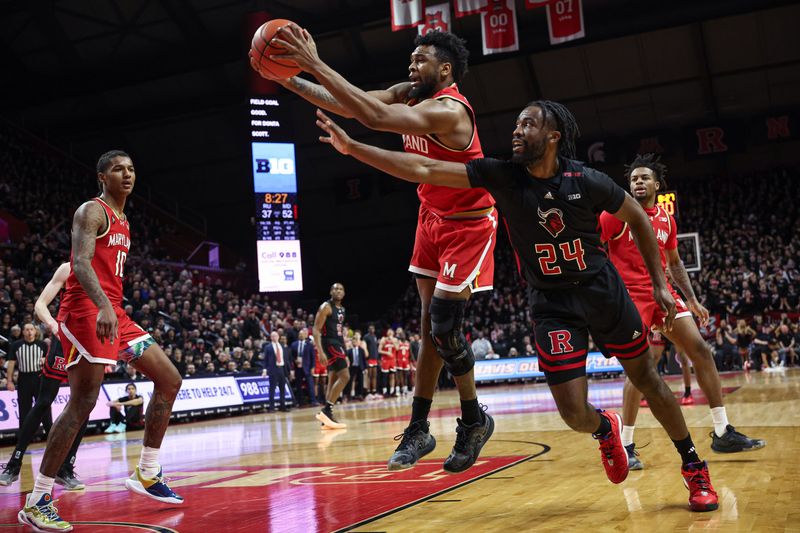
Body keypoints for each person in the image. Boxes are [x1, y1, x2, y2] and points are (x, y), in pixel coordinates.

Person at [315, 99, 719, 511]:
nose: (517, 130)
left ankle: (694, 467)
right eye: (516, 124)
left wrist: (660, 286)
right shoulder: (502, 176)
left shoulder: (586, 178)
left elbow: (636, 216)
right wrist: (354, 148)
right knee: (574, 414)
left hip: (601, 291)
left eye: (528, 124)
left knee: (649, 378)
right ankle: (605, 427)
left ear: (552, 136)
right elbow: (424, 169)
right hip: (552, 305)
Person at [266, 27, 495, 473]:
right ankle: (420, 428)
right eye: (411, 58)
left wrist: (312, 62)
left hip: (469, 223)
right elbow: (347, 102)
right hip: (431, 218)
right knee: (431, 325)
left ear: (445, 69)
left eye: (421, 59)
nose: (412, 65)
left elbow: (371, 117)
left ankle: (473, 419)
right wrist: (287, 79)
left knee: (444, 325)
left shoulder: (450, 111)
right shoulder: (409, 92)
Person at [18, 150, 183, 533]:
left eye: (131, 169)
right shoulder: (91, 211)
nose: (126, 175)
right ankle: (38, 499)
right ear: (101, 177)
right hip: (85, 312)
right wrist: (104, 307)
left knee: (169, 379)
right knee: (82, 404)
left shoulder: (125, 220)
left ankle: (147, 471)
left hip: (114, 314)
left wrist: (112, 308)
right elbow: (79, 264)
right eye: (117, 169)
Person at [598, 153, 766, 466]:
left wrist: (691, 300)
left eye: (644, 177)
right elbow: (593, 246)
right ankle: (626, 445)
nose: (638, 182)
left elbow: (674, 263)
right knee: (640, 368)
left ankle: (722, 431)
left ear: (656, 185)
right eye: (634, 178)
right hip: (631, 296)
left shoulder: (666, 219)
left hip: (664, 294)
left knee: (701, 350)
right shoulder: (615, 215)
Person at [0, 263, 86, 490]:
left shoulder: (108, 268)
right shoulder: (69, 267)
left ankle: (65, 467)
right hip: (63, 338)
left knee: (86, 405)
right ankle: (15, 463)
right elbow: (40, 304)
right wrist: (53, 325)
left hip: (89, 342)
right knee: (43, 402)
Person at [313, 283, 348, 429]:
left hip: (338, 344)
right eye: (335, 288)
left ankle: (325, 419)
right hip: (329, 344)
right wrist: (320, 351)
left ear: (344, 293)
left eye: (340, 289)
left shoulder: (342, 309)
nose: (338, 291)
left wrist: (345, 351)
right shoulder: (326, 307)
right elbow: (316, 329)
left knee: (333, 377)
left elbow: (339, 333)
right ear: (330, 291)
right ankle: (327, 409)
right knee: (345, 377)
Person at [6, 323, 50, 436]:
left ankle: (50, 432)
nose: (29, 332)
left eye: (31, 329)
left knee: (44, 406)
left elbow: (48, 362)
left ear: (35, 331)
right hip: (24, 379)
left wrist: (45, 362)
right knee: (24, 408)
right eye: (26, 330)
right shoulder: (16, 345)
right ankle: (24, 436)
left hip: (39, 377)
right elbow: (11, 363)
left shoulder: (42, 345)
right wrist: (9, 381)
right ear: (23, 332)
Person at [262, 331, 292, 412]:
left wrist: (290, 370)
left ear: (278, 337)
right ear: (271, 338)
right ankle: (271, 407)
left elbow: (286, 359)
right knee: (272, 388)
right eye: (273, 336)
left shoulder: (282, 346)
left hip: (282, 369)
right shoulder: (268, 347)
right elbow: (265, 360)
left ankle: (283, 406)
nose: (274, 337)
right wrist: (264, 370)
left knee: (282, 388)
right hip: (273, 369)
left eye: (276, 336)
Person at [291, 328, 317, 406]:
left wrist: (313, 367)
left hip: (307, 367)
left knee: (310, 384)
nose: (301, 335)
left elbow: (313, 357)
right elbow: (291, 356)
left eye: (302, 334)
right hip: (298, 367)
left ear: (305, 335)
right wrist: (295, 360)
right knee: (298, 385)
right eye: (299, 334)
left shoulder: (309, 344)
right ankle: (300, 401)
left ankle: (313, 401)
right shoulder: (294, 344)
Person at [346, 330, 367, 400]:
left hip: (360, 367)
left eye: (356, 341)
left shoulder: (361, 350)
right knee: (350, 381)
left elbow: (364, 360)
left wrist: (365, 368)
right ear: (352, 342)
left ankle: (360, 394)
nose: (354, 342)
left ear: (358, 342)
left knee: (360, 381)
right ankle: (349, 395)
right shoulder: (349, 351)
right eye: (353, 341)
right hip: (352, 367)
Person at [379, 328, 398, 397]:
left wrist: (392, 341)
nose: (390, 332)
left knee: (392, 376)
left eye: (391, 331)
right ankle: (384, 392)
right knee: (385, 376)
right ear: (387, 333)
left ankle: (392, 391)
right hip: (385, 360)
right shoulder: (383, 339)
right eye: (388, 332)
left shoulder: (395, 340)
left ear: (393, 333)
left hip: (392, 360)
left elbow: (397, 348)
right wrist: (386, 352)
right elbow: (379, 350)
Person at [363, 324, 380, 400]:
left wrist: (377, 358)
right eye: (370, 328)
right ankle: (368, 392)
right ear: (368, 329)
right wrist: (366, 358)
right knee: (369, 376)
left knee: (374, 375)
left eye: (373, 328)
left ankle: (374, 391)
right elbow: (364, 348)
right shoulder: (366, 337)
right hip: (369, 358)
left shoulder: (375, 336)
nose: (372, 329)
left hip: (375, 358)